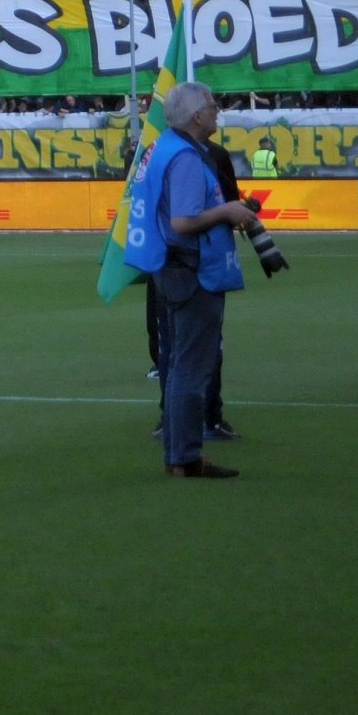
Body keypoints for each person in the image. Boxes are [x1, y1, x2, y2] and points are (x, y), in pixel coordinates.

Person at [125, 82, 255, 479]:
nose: (217, 112)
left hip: (173, 268)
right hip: (191, 270)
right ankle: (184, 455)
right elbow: (183, 220)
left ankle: (179, 454)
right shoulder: (183, 157)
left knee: (181, 362)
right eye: (213, 107)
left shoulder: (165, 148)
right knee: (191, 366)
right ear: (197, 115)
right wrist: (229, 210)